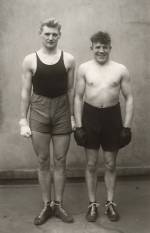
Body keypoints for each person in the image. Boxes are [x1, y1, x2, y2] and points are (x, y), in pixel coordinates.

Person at [19, 18, 75, 225]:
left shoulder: (68, 59)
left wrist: (72, 116)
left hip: (62, 111)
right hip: (39, 111)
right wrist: (22, 121)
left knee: (60, 161)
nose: (51, 37)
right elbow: (26, 92)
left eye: (54, 34)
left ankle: (58, 205)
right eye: (47, 34)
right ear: (40, 34)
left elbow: (71, 90)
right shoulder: (30, 60)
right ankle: (46, 205)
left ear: (59, 35)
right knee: (43, 161)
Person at [74, 31, 134, 222]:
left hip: (112, 118)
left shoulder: (120, 69)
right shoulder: (84, 68)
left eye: (104, 47)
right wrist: (78, 126)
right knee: (91, 164)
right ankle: (92, 204)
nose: (101, 51)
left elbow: (129, 98)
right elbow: (77, 97)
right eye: (97, 47)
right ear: (92, 48)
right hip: (90, 117)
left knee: (110, 163)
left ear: (110, 48)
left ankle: (109, 203)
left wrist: (127, 126)